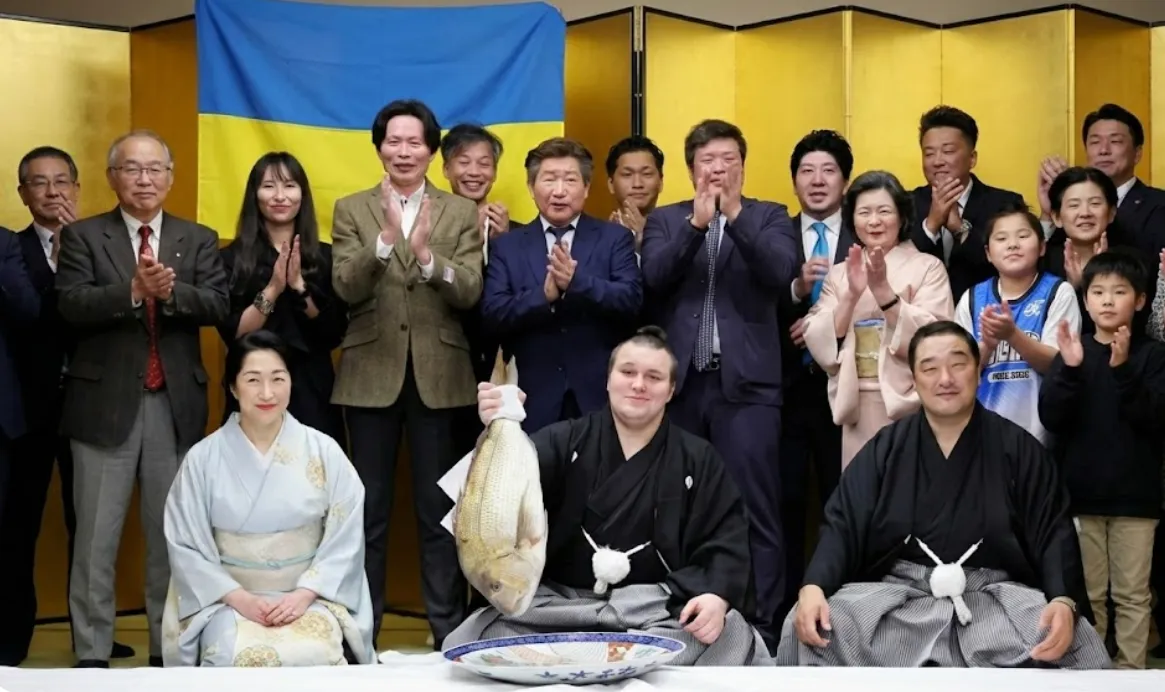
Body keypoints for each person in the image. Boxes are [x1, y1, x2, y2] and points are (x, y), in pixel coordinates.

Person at [778, 321, 1110, 669]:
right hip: (900, 601)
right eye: (930, 367)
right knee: (816, 626)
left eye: (958, 364)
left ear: (978, 370)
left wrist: (1062, 599)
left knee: (1075, 641)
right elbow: (842, 523)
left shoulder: (1018, 448)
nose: (945, 379)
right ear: (914, 380)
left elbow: (1053, 530)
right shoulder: (886, 450)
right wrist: (814, 587)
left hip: (994, 601)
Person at [443, 326, 771, 666]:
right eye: (627, 372)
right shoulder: (563, 440)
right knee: (478, 635)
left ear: (671, 390)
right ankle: (622, 662)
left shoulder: (698, 459)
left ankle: (571, 662)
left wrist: (716, 597)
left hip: (652, 611)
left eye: (654, 377)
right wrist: (499, 425)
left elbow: (726, 537)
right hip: (558, 609)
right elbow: (494, 498)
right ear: (608, 380)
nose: (639, 384)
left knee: (729, 632)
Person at [55, 129, 230, 667]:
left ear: (171, 177)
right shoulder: (84, 237)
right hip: (103, 408)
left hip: (172, 407)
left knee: (170, 542)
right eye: (132, 169)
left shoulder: (197, 238)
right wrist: (132, 292)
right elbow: (70, 307)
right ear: (113, 178)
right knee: (94, 544)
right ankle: (91, 653)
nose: (144, 179)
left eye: (155, 169)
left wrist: (169, 292)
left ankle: (167, 652)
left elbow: (219, 305)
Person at [640, 119, 799, 647]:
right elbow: (652, 280)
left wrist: (733, 217)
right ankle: (683, 617)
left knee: (758, 507)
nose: (718, 168)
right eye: (708, 160)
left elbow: (781, 273)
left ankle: (767, 625)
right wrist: (695, 226)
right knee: (681, 507)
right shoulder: (665, 220)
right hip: (681, 389)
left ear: (743, 165)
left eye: (729, 159)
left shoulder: (770, 216)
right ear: (691, 169)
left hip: (748, 389)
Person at [330, 99, 482, 647]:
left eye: (414, 142)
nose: (403, 151)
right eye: (393, 141)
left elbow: (470, 291)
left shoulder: (460, 212)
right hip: (370, 375)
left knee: (437, 513)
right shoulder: (351, 208)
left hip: (440, 378)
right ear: (379, 148)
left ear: (430, 150)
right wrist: (385, 244)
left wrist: (426, 259)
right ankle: (361, 635)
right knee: (367, 514)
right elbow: (345, 285)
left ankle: (447, 633)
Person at [161, 330, 375, 667]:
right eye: (252, 380)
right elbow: (187, 546)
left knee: (317, 653)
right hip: (227, 601)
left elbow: (345, 538)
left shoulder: (324, 450)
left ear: (291, 381)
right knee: (230, 656)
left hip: (309, 597)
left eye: (278, 378)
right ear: (232, 387)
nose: (267, 393)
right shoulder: (203, 459)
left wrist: (305, 594)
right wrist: (240, 598)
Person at [1, 147, 137, 664]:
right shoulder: (8, 250)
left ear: (79, 189)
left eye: (62, 181)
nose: (53, 192)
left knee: (89, 525)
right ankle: (12, 635)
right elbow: (33, 319)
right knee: (20, 525)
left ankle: (93, 634)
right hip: (27, 410)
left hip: (92, 403)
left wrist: (80, 253)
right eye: (39, 183)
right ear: (23, 194)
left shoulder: (105, 247)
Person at [1038, 251, 1165, 669]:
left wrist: (1124, 369)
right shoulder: (1073, 352)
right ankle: (1092, 670)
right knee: (1088, 595)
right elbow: (1051, 417)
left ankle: (1132, 670)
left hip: (1136, 500)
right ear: (1085, 300)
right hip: (1081, 497)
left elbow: (1154, 419)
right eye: (1098, 292)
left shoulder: (1153, 356)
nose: (1108, 300)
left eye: (1120, 291)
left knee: (1133, 594)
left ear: (1141, 300)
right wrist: (1070, 370)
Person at [480, 137, 642, 432]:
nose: (559, 191)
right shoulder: (508, 246)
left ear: (587, 188)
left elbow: (631, 301)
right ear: (531, 188)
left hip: (599, 393)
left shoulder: (614, 238)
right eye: (549, 179)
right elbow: (493, 314)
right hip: (532, 396)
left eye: (570, 180)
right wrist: (543, 296)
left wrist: (576, 282)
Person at [802, 170, 953, 468]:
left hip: (909, 398)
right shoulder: (840, 273)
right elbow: (817, 336)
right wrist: (850, 295)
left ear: (901, 216)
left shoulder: (927, 267)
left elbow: (938, 336)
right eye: (864, 212)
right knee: (862, 494)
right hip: (856, 399)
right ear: (852, 219)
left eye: (884, 211)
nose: (874, 221)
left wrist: (884, 294)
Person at [776, 129, 854, 623]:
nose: (818, 180)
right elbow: (752, 301)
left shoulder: (868, 230)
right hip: (784, 389)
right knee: (782, 502)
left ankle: (842, 610)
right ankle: (783, 610)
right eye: (807, 171)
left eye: (828, 170)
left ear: (845, 179)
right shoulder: (773, 232)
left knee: (841, 501)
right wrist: (792, 293)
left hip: (848, 389)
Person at [218, 152, 348, 445]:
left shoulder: (328, 257)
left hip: (313, 388)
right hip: (252, 385)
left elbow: (333, 333)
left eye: (289, 186)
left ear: (303, 194)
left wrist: (299, 285)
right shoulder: (231, 259)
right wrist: (274, 289)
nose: (280, 196)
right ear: (255, 194)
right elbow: (235, 334)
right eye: (268, 186)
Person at [954, 202, 1080, 445]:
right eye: (1001, 238)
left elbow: (1058, 365)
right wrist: (987, 346)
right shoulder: (972, 299)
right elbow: (957, 371)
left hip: (1040, 436)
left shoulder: (1058, 292)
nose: (1013, 244)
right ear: (988, 253)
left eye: (1023, 236)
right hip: (981, 435)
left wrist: (1012, 335)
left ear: (1042, 247)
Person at [909, 106, 1027, 301]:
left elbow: (1010, 265)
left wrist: (958, 228)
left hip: (985, 313)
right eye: (929, 154)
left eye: (948, 151)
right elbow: (900, 266)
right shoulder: (907, 204)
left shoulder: (1004, 203)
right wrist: (931, 224)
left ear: (972, 158)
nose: (937, 161)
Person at [1038, 104, 1165, 260]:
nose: (1104, 150)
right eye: (1095, 142)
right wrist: (1047, 214)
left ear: (1137, 154)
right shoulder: (1071, 207)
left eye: (1115, 141)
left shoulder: (1159, 205)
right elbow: (1038, 263)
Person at [605, 136, 665, 252]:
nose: (637, 184)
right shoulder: (595, 238)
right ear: (611, 184)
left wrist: (645, 238)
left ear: (661, 182)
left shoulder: (681, 236)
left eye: (646, 174)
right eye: (627, 174)